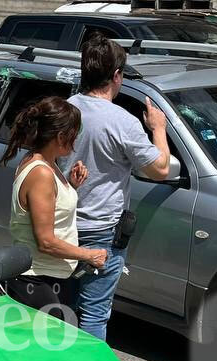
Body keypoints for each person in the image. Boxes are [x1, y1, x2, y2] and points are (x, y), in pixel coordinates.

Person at [65, 34, 170, 340]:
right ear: (116, 76)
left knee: (63, 310)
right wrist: (159, 129)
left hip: (62, 227)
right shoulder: (122, 122)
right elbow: (161, 169)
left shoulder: (64, 109)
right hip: (100, 234)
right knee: (94, 315)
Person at [2, 96, 105, 321]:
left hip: (49, 278)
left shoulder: (46, 164)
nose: (76, 142)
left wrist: (71, 186)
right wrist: (89, 254)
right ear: (60, 136)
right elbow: (46, 242)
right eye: (74, 135)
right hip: (37, 280)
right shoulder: (41, 173)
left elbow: (51, 206)